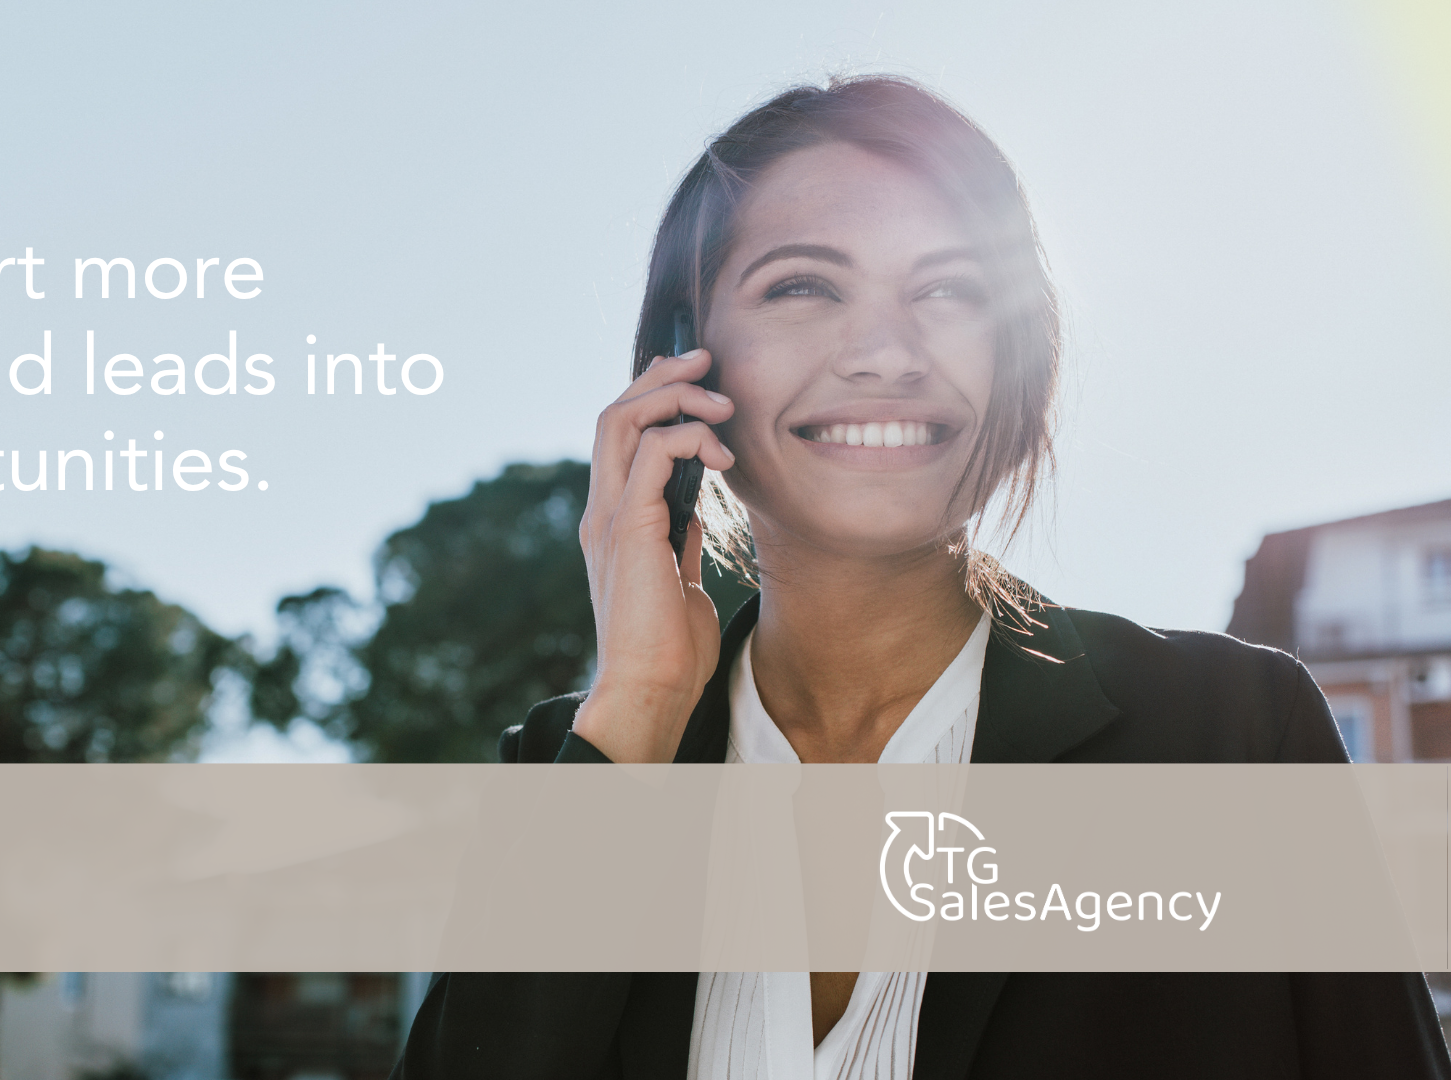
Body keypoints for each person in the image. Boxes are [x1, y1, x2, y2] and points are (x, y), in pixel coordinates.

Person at [391, 76, 1451, 1079]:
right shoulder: (578, 763)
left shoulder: (1233, 736)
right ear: (683, 365)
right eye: (802, 285)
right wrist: (640, 706)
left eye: (948, 287)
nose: (887, 352)